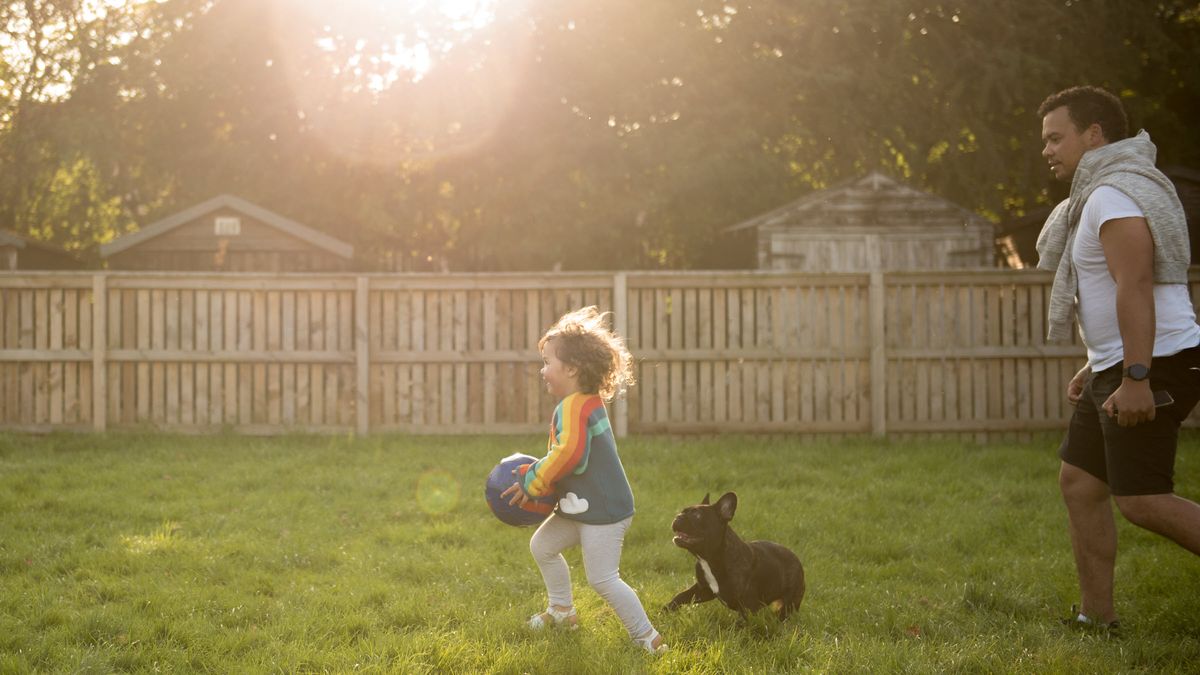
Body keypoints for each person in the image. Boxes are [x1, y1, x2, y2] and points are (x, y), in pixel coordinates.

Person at [1036, 85, 1200, 629]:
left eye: (1057, 137)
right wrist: (1099, 361)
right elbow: (1111, 294)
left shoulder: (1114, 194)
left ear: (1094, 134)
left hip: (1156, 363)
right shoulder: (1096, 195)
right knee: (1080, 482)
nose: (1048, 149)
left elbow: (1137, 282)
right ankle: (1095, 618)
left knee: (1143, 499)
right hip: (1121, 363)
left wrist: (1135, 376)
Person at [500, 306, 667, 654]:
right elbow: (568, 454)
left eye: (547, 362)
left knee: (603, 578)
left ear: (572, 368)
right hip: (581, 507)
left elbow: (570, 454)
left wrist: (533, 480)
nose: (542, 370)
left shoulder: (575, 406)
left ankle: (648, 637)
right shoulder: (582, 402)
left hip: (603, 511)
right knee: (543, 546)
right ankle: (561, 610)